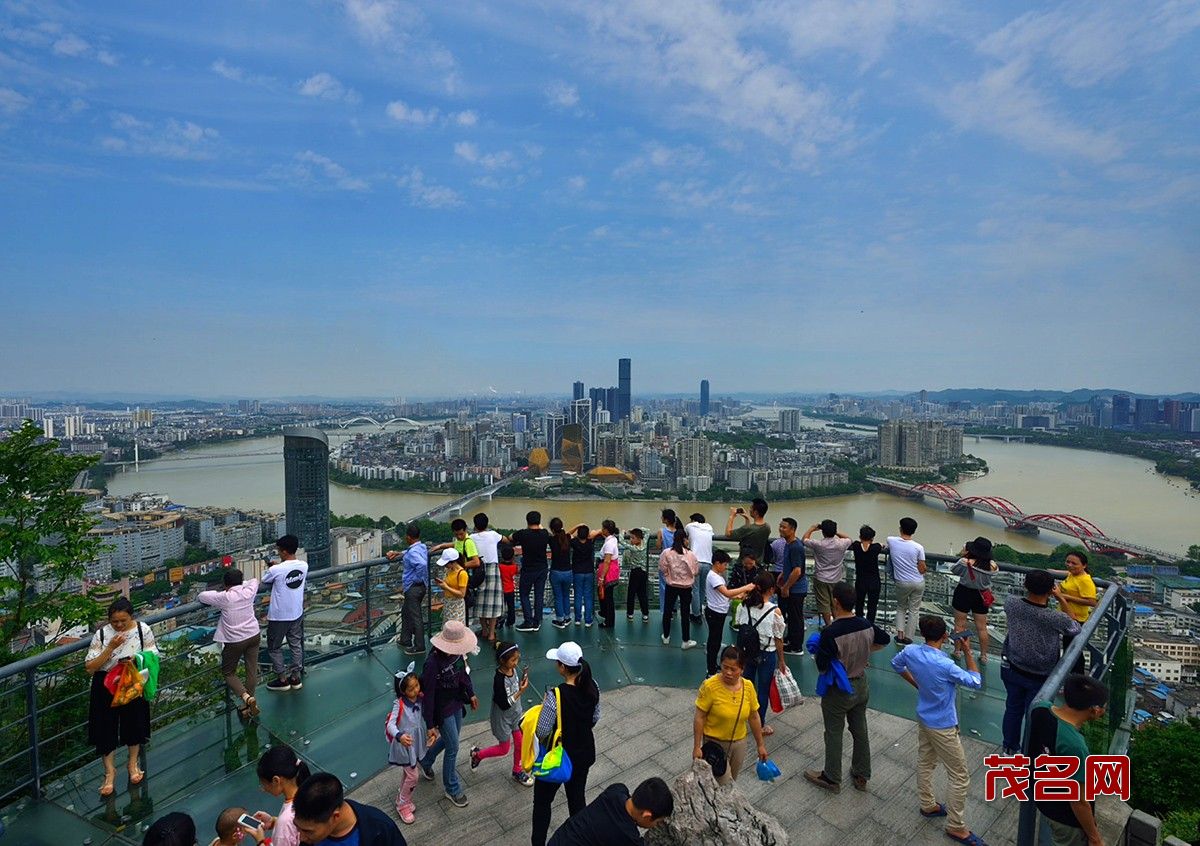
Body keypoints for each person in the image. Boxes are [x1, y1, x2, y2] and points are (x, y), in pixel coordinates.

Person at [891, 616, 984, 846]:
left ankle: (928, 804)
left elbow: (896, 664)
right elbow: (975, 681)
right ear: (945, 636)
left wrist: (917, 684)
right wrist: (968, 652)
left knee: (926, 761)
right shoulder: (945, 665)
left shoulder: (911, 651)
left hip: (924, 716)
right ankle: (956, 826)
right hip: (942, 723)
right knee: (959, 775)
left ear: (923, 633)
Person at [805, 581, 891, 794]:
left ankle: (832, 777)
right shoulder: (866, 624)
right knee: (860, 730)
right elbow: (885, 640)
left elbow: (822, 665)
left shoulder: (830, 632)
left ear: (835, 602)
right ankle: (862, 774)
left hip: (839, 689)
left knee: (834, 732)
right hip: (861, 684)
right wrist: (865, 651)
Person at [1000, 569, 1081, 753]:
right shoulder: (1055, 617)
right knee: (1034, 716)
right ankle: (1028, 754)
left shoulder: (1011, 603)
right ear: (1051, 590)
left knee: (1013, 708)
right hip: (1041, 674)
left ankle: (1009, 749)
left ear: (1025, 585)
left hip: (1013, 666)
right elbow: (1075, 628)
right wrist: (1061, 598)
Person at [85, 597, 158, 796]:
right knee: (105, 727)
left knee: (134, 723)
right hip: (106, 683)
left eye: (123, 621)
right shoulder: (102, 634)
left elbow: (153, 654)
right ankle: (109, 772)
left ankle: (132, 764)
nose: (118, 625)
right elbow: (90, 667)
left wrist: (137, 658)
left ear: (131, 617)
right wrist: (110, 648)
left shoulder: (142, 630)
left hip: (131, 680)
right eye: (114, 621)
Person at [531, 642, 602, 846]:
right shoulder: (593, 685)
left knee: (542, 803)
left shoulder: (556, 695)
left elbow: (542, 731)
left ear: (562, 667)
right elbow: (595, 717)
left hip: (557, 758)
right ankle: (581, 840)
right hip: (583, 754)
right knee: (577, 800)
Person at [1031, 674, 1110, 846]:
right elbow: (1079, 801)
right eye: (1104, 706)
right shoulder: (1075, 746)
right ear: (1095, 710)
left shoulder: (1040, 709)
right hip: (1066, 818)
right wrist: (1095, 837)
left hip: (1044, 799)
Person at [419, 620, 479, 807]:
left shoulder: (457, 655)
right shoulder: (432, 664)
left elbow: (463, 675)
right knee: (453, 747)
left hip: (456, 702)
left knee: (450, 740)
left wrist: (471, 693)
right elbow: (428, 695)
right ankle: (452, 788)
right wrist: (430, 724)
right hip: (442, 709)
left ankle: (426, 760)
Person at [693, 645, 768, 784]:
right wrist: (697, 746)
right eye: (725, 667)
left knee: (732, 781)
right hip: (714, 744)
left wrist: (760, 745)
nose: (728, 672)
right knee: (723, 782)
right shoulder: (709, 686)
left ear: (742, 669)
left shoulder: (748, 687)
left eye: (733, 669)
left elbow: (754, 717)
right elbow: (699, 717)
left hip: (739, 744)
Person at [198, 567, 261, 720]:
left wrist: (222, 590)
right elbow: (254, 580)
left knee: (228, 672)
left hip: (235, 640)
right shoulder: (249, 591)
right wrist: (242, 584)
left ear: (226, 584)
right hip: (254, 634)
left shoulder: (225, 597)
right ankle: (248, 706)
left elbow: (202, 596)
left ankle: (246, 697)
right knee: (251, 670)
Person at [471, 641, 534, 786]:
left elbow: (514, 688)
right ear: (502, 661)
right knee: (504, 749)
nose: (516, 663)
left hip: (516, 714)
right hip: (502, 718)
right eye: (513, 660)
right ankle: (477, 755)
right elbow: (504, 704)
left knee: (520, 743)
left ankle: (517, 770)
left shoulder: (513, 670)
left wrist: (520, 685)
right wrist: (520, 692)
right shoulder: (499, 679)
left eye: (517, 659)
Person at [547, 777, 674, 846]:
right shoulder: (629, 838)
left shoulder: (616, 790)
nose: (657, 825)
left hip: (559, 839)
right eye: (658, 822)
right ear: (647, 815)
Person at [733, 572, 787, 734]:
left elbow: (739, 624)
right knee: (763, 690)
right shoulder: (775, 611)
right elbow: (778, 638)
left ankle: (740, 718)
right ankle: (760, 724)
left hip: (747, 652)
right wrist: (781, 660)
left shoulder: (744, 606)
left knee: (745, 686)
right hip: (766, 653)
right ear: (771, 590)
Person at [292, 772, 407, 846]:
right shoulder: (309, 839)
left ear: (335, 816)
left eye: (308, 831)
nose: (301, 837)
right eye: (297, 827)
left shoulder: (380, 830)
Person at [387, 668, 436, 824]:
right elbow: (390, 725)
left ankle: (402, 799)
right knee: (413, 776)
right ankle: (402, 805)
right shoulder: (399, 704)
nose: (415, 690)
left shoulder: (420, 699)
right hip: (405, 746)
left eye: (416, 685)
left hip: (415, 743)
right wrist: (399, 736)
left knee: (408, 774)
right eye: (411, 689)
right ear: (403, 691)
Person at [263, 534, 308, 692]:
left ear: (284, 551)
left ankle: (282, 679)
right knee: (295, 645)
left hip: (279, 616)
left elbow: (265, 580)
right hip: (296, 612)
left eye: (279, 551)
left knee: (274, 647)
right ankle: (295, 677)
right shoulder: (303, 565)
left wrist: (273, 567)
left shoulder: (276, 569)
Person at [703, 551, 753, 676]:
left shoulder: (717, 576)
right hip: (715, 613)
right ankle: (711, 670)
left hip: (719, 611)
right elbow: (726, 593)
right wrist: (746, 587)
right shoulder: (714, 577)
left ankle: (713, 666)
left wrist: (737, 595)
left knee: (716, 640)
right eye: (725, 564)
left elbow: (724, 595)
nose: (726, 567)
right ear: (717, 563)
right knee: (713, 642)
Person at [951, 536, 999, 663]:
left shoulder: (964, 562)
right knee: (982, 628)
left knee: (959, 625)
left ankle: (958, 651)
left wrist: (964, 554)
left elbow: (954, 570)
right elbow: (993, 574)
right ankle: (983, 656)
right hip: (981, 595)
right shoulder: (992, 566)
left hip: (963, 592)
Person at [254, 745, 310, 846]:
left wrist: (260, 841)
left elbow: (288, 825)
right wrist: (273, 821)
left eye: (263, 784)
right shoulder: (311, 793)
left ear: (276, 780)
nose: (263, 789)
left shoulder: (285, 821)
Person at [1053, 551, 1098, 675]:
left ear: (1084, 565)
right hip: (1065, 616)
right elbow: (1067, 573)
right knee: (1069, 648)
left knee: (1072, 651)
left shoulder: (1085, 580)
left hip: (1076, 619)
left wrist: (1064, 596)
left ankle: (1076, 677)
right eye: (1068, 562)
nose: (1070, 565)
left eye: (1074, 563)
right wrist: (1049, 572)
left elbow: (1092, 602)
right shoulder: (1072, 575)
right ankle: (1072, 677)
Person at [386, 524, 428, 655]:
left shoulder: (413, 552)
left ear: (408, 537)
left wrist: (416, 578)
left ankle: (419, 646)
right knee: (406, 612)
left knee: (415, 617)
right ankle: (405, 639)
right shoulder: (421, 547)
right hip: (421, 587)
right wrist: (400, 553)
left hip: (413, 588)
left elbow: (422, 564)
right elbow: (411, 552)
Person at [803, 519, 853, 628]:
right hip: (836, 578)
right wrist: (835, 532)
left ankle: (829, 626)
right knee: (835, 602)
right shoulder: (841, 544)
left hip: (820, 578)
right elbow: (849, 539)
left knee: (824, 603)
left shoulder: (819, 544)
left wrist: (812, 528)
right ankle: (837, 624)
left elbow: (805, 540)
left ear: (823, 532)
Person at [885, 517, 926, 645]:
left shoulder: (891, 540)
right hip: (918, 582)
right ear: (914, 531)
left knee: (901, 607)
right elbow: (922, 569)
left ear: (900, 529)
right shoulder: (919, 547)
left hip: (902, 582)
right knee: (914, 610)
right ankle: (909, 638)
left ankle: (900, 636)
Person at [432, 520, 481, 626]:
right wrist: (440, 546)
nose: (459, 536)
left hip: (462, 578)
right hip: (455, 578)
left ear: (466, 530)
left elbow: (476, 562)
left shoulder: (468, 542)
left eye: (461, 534)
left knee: (460, 619)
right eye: (456, 534)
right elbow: (455, 544)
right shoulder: (459, 541)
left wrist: (459, 567)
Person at [510, 511, 552, 633]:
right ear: (539, 521)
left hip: (528, 569)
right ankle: (537, 621)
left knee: (524, 594)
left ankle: (528, 621)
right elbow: (545, 531)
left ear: (527, 521)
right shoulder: (544, 534)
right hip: (542, 568)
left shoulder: (523, 534)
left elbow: (510, 537)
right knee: (539, 595)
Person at [658, 527, 699, 649]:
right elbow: (695, 571)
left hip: (671, 585)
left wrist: (668, 576)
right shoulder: (691, 555)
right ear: (685, 539)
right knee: (685, 613)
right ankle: (685, 640)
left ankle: (666, 636)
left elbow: (662, 567)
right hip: (686, 587)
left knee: (667, 610)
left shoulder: (667, 553)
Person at [470, 513, 505, 643]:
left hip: (479, 569)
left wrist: (440, 546)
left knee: (480, 601)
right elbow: (506, 540)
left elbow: (456, 544)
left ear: (475, 525)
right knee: (493, 602)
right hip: (493, 570)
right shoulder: (493, 535)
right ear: (487, 524)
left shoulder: (471, 537)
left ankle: (484, 630)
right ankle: (491, 633)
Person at [774, 518, 807, 654]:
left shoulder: (795, 547)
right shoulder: (789, 543)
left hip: (796, 589)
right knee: (792, 616)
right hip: (792, 586)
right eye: (780, 526)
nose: (781, 529)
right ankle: (791, 639)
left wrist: (786, 587)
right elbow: (792, 565)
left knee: (796, 617)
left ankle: (796, 646)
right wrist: (783, 573)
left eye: (784, 527)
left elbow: (797, 571)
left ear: (792, 529)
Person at [685, 513, 715, 623]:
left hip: (695, 561)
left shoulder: (689, 526)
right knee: (702, 589)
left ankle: (696, 615)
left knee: (695, 589)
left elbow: (685, 536)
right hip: (708, 562)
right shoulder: (709, 527)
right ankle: (699, 610)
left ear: (693, 520)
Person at [851, 526, 883, 623]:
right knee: (872, 606)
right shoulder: (875, 547)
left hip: (861, 581)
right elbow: (881, 545)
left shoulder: (856, 546)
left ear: (860, 537)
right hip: (874, 581)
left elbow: (848, 539)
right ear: (872, 539)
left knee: (859, 604)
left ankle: (859, 624)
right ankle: (870, 625)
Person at [725, 498, 770, 565]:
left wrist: (731, 516)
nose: (749, 509)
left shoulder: (748, 529)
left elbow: (728, 533)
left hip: (744, 565)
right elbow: (750, 534)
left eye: (751, 508)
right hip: (758, 563)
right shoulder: (767, 527)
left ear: (755, 512)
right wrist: (747, 518)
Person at [568, 524, 597, 627]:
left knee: (578, 596)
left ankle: (577, 619)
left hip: (577, 572)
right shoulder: (590, 542)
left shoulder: (574, 543)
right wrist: (589, 534)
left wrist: (577, 526)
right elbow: (597, 531)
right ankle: (588, 620)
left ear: (578, 534)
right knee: (588, 597)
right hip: (589, 572)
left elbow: (567, 534)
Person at [549, 518, 575, 630]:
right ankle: (567, 618)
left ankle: (560, 620)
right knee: (566, 596)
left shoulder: (551, 539)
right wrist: (578, 525)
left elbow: (545, 531)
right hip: (568, 572)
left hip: (556, 572)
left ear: (552, 529)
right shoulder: (567, 538)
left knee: (558, 597)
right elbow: (569, 533)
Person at [596, 520, 622, 629]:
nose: (601, 530)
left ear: (606, 530)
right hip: (611, 571)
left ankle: (609, 622)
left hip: (608, 573)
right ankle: (605, 613)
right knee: (606, 595)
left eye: (603, 528)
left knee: (608, 598)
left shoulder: (609, 544)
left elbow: (607, 561)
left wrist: (602, 577)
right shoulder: (612, 539)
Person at [621, 528, 650, 622]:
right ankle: (645, 614)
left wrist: (623, 532)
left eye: (633, 538)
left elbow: (621, 541)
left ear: (638, 539)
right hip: (643, 572)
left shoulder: (633, 548)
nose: (631, 540)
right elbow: (648, 531)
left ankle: (630, 613)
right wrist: (637, 530)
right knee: (642, 593)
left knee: (631, 593)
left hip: (635, 572)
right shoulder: (644, 543)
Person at [435, 548, 468, 624]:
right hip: (448, 602)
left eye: (446, 564)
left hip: (457, 605)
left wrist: (446, 587)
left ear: (453, 562)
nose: (445, 566)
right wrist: (442, 584)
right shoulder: (448, 570)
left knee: (456, 627)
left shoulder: (462, 574)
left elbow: (462, 594)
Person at [657, 509, 678, 615]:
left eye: (662, 517)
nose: (661, 518)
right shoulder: (678, 532)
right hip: (676, 562)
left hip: (665, 562)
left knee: (664, 586)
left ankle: (666, 610)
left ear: (666, 519)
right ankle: (674, 608)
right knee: (675, 585)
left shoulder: (661, 531)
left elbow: (658, 546)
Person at [499, 542, 518, 629]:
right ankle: (510, 621)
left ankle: (500, 621)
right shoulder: (514, 567)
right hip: (510, 589)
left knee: (500, 607)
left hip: (501, 590)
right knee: (511, 607)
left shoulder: (500, 567)